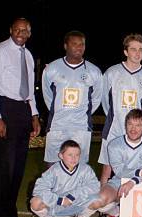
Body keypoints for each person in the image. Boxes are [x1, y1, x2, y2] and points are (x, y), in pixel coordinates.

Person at [0, 17, 41, 217]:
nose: (21, 32)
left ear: (29, 33)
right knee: (4, 166)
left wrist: (34, 115)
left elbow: (29, 89)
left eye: (25, 30)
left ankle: (11, 214)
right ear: (11, 30)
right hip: (5, 109)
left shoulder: (28, 55)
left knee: (18, 167)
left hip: (23, 110)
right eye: (18, 29)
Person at [98, 34, 142, 183]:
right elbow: (104, 100)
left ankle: (128, 202)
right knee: (107, 168)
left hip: (135, 129)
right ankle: (102, 199)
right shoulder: (112, 72)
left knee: (135, 165)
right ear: (125, 52)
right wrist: (114, 116)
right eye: (133, 49)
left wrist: (136, 123)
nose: (137, 53)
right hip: (114, 127)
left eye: (140, 49)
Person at [42, 30, 102, 166]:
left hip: (80, 127)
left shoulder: (94, 71)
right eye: (74, 44)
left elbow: (96, 99)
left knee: (79, 166)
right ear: (65, 46)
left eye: (82, 44)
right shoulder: (52, 68)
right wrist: (60, 111)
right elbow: (47, 96)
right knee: (52, 165)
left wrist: (81, 113)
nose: (79, 47)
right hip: (57, 125)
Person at [96, 109, 142, 217]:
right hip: (120, 181)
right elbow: (119, 171)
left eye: (138, 125)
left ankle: (122, 212)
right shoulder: (114, 144)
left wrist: (133, 181)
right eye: (130, 124)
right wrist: (140, 172)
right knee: (98, 202)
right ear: (125, 125)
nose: (133, 129)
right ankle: (116, 212)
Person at [30, 140, 100, 217]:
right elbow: (39, 189)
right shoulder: (54, 170)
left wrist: (73, 196)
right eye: (70, 155)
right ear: (61, 156)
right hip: (57, 205)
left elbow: (95, 186)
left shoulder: (85, 169)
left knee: (98, 200)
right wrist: (60, 200)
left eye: (77, 155)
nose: (74, 158)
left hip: (77, 204)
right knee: (35, 202)